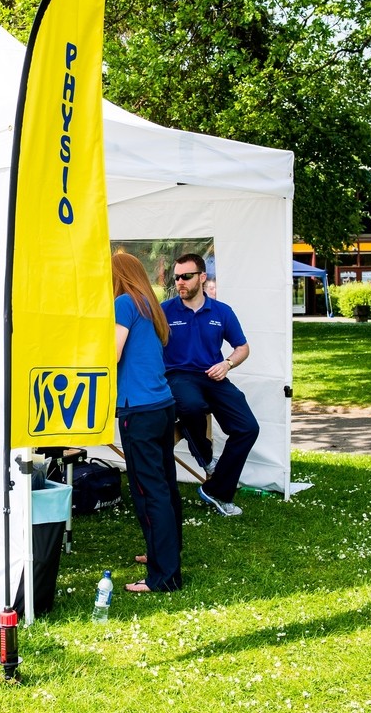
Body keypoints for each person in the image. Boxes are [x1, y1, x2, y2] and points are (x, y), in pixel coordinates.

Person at [160, 253, 259, 517]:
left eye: (186, 276)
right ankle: (205, 458)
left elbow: (243, 347)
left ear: (202, 277)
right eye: (177, 277)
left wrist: (226, 364)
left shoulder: (222, 311)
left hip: (213, 375)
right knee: (191, 406)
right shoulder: (164, 310)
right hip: (178, 376)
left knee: (248, 428)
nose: (180, 281)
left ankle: (217, 490)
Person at [112, 251, 181, 593]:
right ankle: (164, 552)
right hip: (161, 405)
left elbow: (112, 354)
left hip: (138, 410)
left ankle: (164, 576)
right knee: (164, 485)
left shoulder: (124, 303)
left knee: (148, 491)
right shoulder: (148, 305)